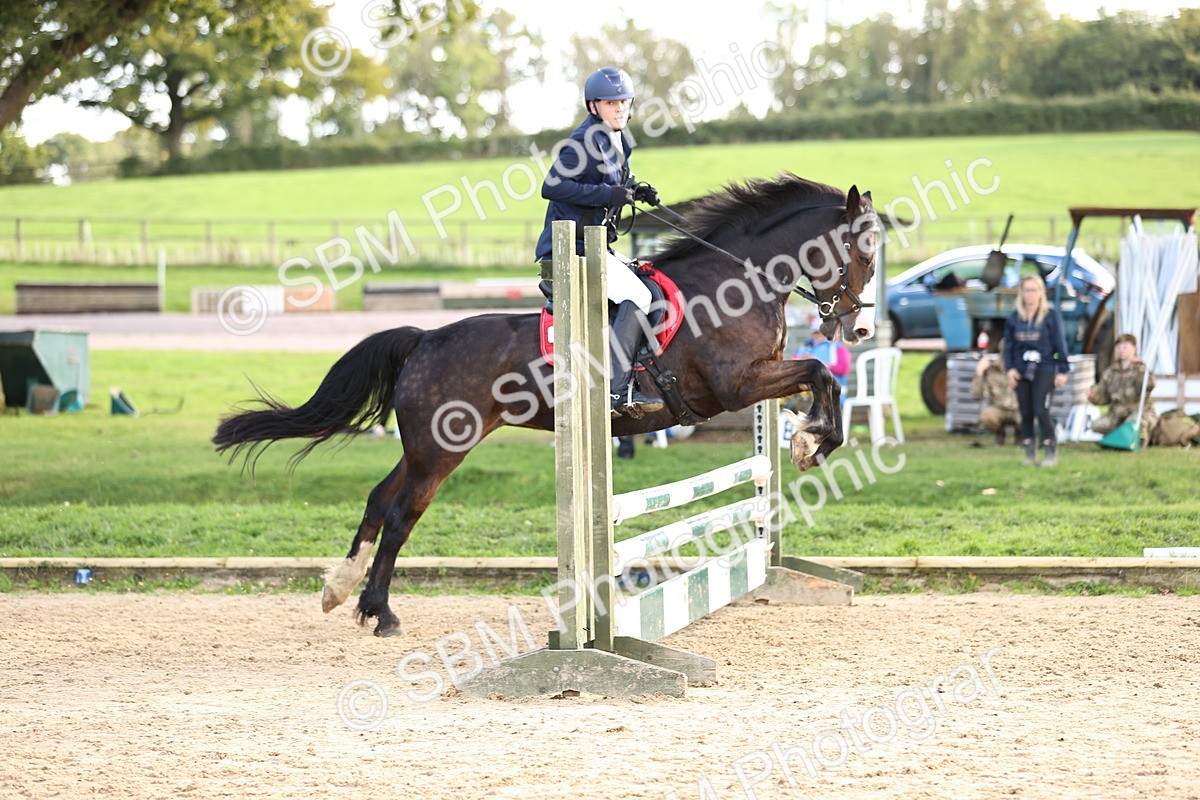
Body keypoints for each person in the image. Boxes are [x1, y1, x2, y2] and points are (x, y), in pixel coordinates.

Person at [535, 66, 662, 418]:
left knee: (654, 284)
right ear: (594, 106)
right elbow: (553, 187)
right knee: (639, 295)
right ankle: (615, 392)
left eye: (624, 101)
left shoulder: (620, 138)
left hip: (597, 246)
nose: (619, 108)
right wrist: (610, 193)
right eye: (611, 103)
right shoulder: (581, 142)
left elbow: (616, 179)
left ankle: (638, 373)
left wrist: (636, 190)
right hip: (570, 249)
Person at [1003, 275, 1070, 467]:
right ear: (1021, 293)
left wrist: (1062, 369)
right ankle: (1029, 453)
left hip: (1045, 367)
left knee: (1041, 409)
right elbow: (1009, 347)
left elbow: (1059, 345)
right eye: (1027, 290)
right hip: (1022, 369)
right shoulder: (1015, 318)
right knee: (1026, 412)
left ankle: (1049, 449)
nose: (1030, 295)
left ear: (1041, 293)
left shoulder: (1051, 316)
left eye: (1034, 290)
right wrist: (1010, 369)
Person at [1087, 333, 1158, 446]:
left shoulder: (1140, 369)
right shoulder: (1110, 372)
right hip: (1117, 414)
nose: (1121, 350)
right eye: (1119, 347)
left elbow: (1149, 386)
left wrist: (1141, 369)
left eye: (1125, 347)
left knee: (1132, 423)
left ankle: (1140, 439)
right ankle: (1117, 437)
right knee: (1097, 425)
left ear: (1134, 349)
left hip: (1139, 412)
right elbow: (1103, 397)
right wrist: (1093, 396)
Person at [971, 350, 1019, 445]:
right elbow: (976, 395)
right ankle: (999, 433)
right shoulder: (992, 370)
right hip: (999, 408)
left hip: (1019, 409)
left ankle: (1022, 434)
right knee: (987, 416)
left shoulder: (1023, 368)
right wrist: (979, 373)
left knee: (1031, 415)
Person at [794, 322, 851, 394]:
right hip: (804, 393)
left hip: (831, 391)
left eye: (822, 332)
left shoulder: (838, 347)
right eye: (816, 332)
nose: (819, 335)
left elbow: (844, 369)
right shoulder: (802, 348)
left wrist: (818, 363)